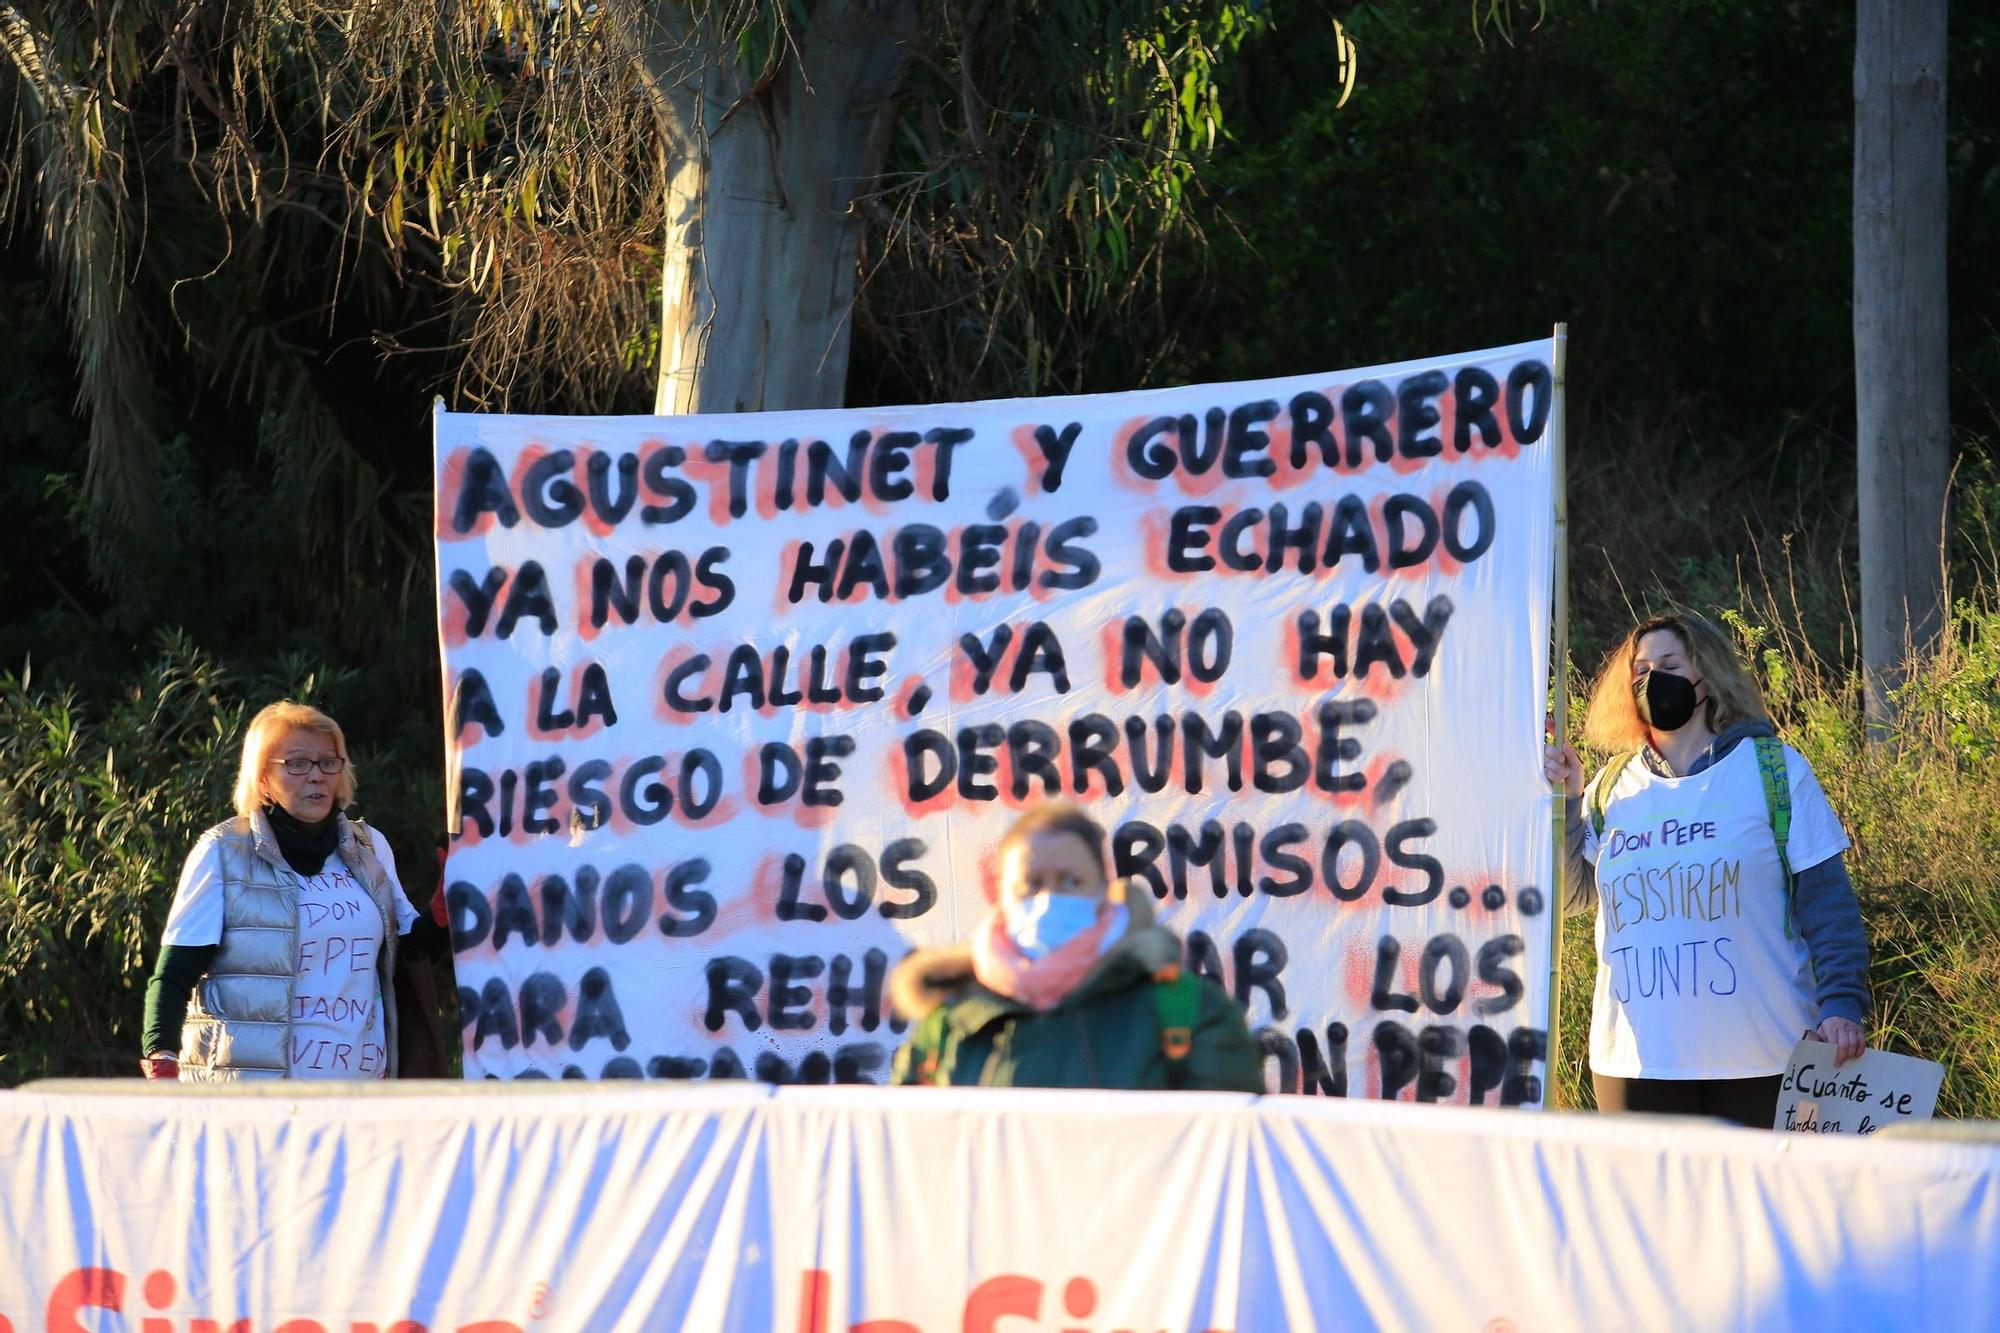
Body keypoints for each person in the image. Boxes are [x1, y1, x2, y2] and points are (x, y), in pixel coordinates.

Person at [1543, 613, 1869, 1128]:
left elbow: (1828, 906)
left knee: (1764, 1210)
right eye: (1641, 670)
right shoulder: (1610, 788)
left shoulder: (1775, 771)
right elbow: (1572, 898)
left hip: (1767, 1060)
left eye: (1670, 665)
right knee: (1655, 1212)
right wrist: (1568, 804)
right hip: (1637, 1064)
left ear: (1707, 675)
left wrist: (1842, 1006)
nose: (1653, 680)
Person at [139, 701, 447, 1081]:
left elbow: (410, 949)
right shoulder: (223, 851)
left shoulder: (369, 846)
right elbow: (173, 974)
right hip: (252, 1100)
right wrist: (161, 1060)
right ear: (263, 777)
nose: (315, 776)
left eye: (327, 762)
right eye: (297, 763)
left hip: (357, 1093)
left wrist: (445, 913)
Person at [889, 802, 1265, 1091]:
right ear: (1000, 893)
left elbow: (1226, 1151)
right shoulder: (948, 1021)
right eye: (1031, 882)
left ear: (1102, 892)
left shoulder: (1186, 1011)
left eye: (1071, 881)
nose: (1049, 897)